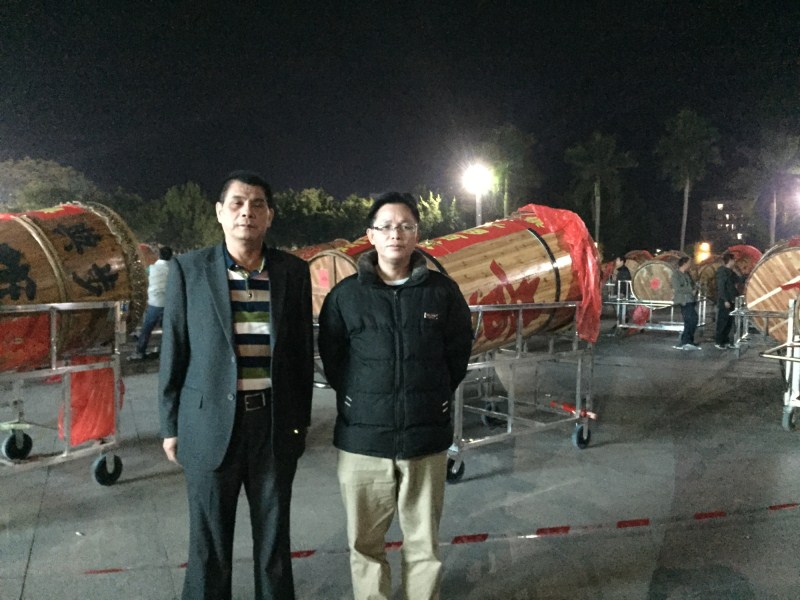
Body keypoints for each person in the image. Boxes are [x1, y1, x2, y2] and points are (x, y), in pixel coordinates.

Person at [158, 170, 313, 600]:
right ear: (220, 213)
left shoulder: (292, 272)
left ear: (270, 216)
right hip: (208, 424)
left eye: (258, 204)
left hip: (272, 424)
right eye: (237, 203)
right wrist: (170, 424)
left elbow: (301, 353)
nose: (247, 212)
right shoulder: (189, 270)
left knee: (274, 542)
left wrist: (299, 422)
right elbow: (174, 349)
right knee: (208, 545)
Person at [317, 192, 473, 600]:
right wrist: (357, 400)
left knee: (423, 543)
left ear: (417, 234)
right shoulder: (346, 296)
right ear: (370, 235)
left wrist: (434, 397)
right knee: (365, 544)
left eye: (405, 226)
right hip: (363, 440)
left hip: (425, 437)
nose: (395, 234)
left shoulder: (442, 293)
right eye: (385, 226)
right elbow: (334, 359)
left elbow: (457, 354)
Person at [129, 245, 173, 360]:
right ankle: (164, 352)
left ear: (159, 255)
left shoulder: (151, 268)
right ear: (171, 256)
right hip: (168, 304)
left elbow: (143, 280)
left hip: (154, 304)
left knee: (147, 329)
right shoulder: (173, 270)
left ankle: (140, 352)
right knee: (167, 330)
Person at [671, 256, 701, 350]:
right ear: (684, 263)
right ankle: (686, 341)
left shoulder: (687, 274)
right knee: (690, 320)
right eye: (689, 263)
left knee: (693, 320)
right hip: (684, 301)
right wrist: (690, 290)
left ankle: (688, 340)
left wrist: (695, 288)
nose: (690, 265)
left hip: (691, 300)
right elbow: (677, 288)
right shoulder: (676, 275)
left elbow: (691, 284)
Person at [715, 252, 738, 350]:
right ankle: (719, 341)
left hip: (731, 299)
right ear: (730, 260)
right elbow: (721, 287)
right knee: (723, 321)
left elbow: (738, 280)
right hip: (725, 301)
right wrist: (725, 300)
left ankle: (726, 340)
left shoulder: (731, 272)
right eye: (734, 260)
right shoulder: (722, 272)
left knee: (729, 322)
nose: (735, 262)